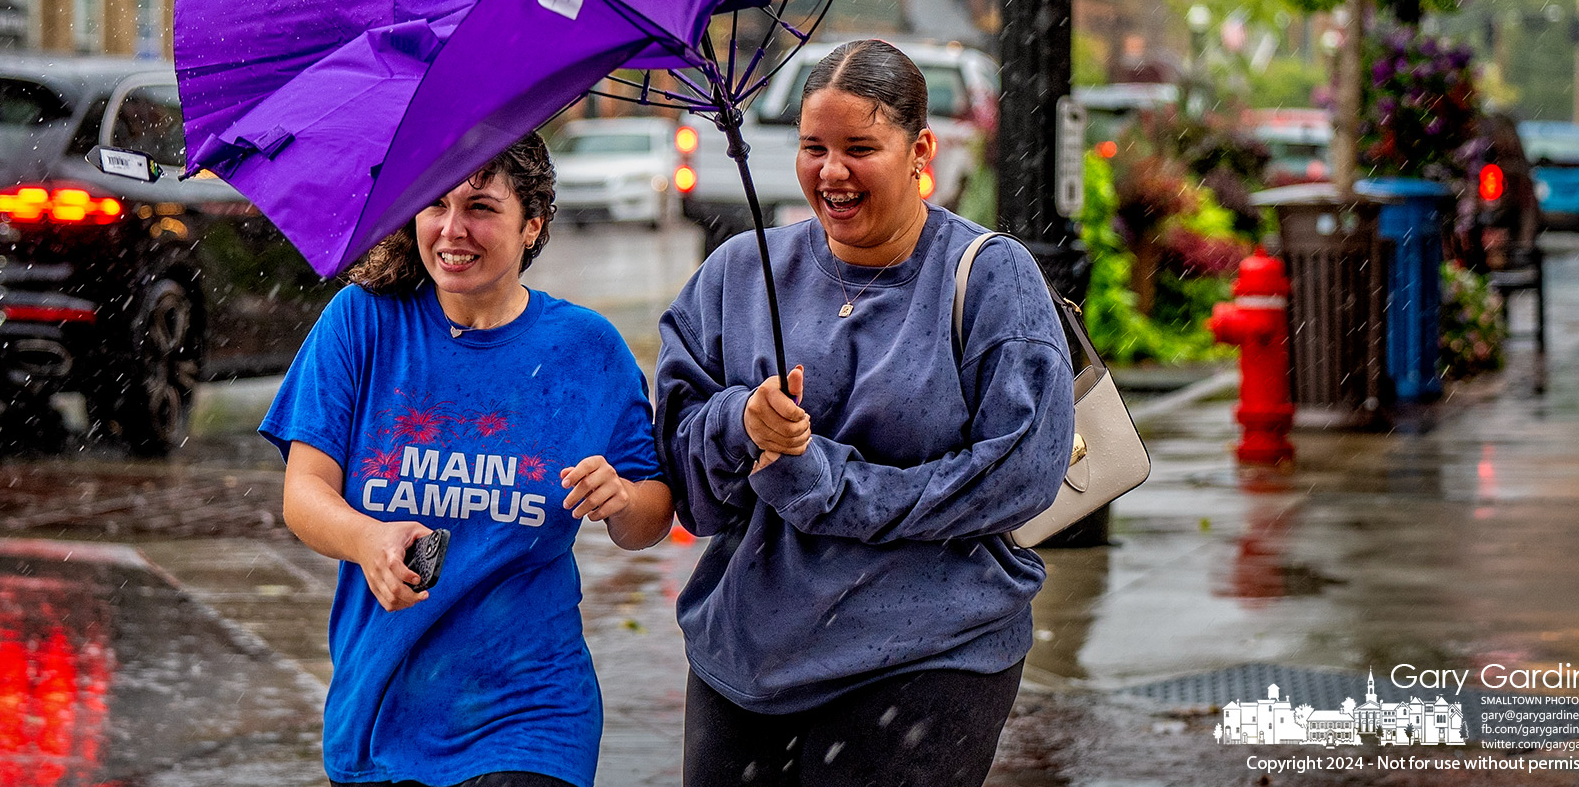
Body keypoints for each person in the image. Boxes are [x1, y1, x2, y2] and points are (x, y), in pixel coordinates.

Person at [656, 39, 1077, 787]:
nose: (831, 171)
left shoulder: (990, 278)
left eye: (860, 147)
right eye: (813, 146)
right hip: (747, 658)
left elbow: (1021, 474)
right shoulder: (737, 275)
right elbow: (686, 481)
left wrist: (831, 488)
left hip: (930, 654)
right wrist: (738, 424)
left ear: (921, 149)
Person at [261, 132, 676, 787]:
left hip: (531, 711)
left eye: (481, 207)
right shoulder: (362, 324)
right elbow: (304, 494)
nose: (453, 229)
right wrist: (369, 541)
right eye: (437, 204)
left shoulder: (583, 348)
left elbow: (650, 516)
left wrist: (621, 499)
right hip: (383, 710)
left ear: (531, 223)